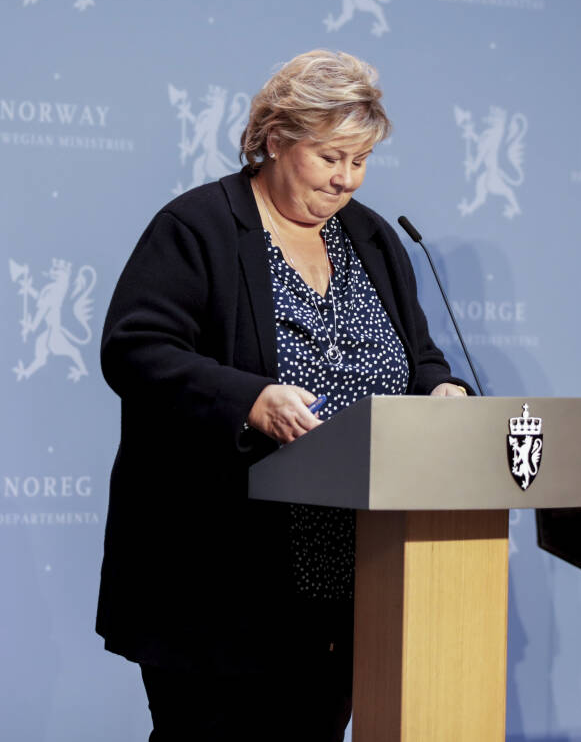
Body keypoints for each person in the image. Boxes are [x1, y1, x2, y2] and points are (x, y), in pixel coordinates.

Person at [96, 50, 470, 741]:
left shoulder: (371, 238)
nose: (346, 178)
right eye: (330, 155)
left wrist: (442, 388)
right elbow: (135, 348)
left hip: (346, 571)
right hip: (217, 568)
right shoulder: (199, 227)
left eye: (360, 160)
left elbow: (416, 355)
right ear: (275, 139)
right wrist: (250, 398)